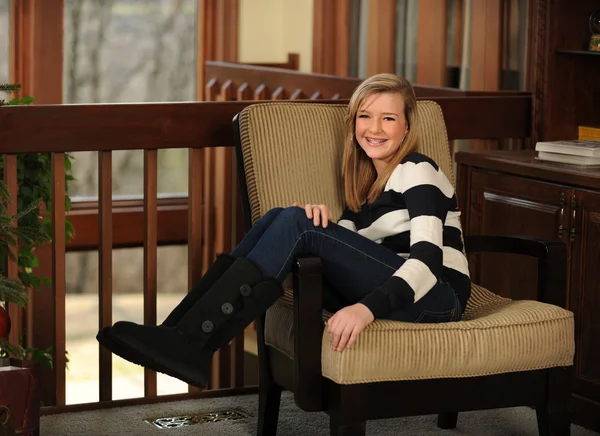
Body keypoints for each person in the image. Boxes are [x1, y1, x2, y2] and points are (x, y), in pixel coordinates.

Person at [97, 73, 471, 388]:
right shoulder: (363, 190)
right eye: (365, 116)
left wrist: (364, 310)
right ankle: (178, 333)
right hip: (394, 286)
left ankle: (192, 342)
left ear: (407, 126)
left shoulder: (418, 169)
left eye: (388, 119)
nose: (374, 128)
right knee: (284, 216)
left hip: (436, 300)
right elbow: (347, 252)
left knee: (295, 224)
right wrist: (316, 220)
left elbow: (426, 263)